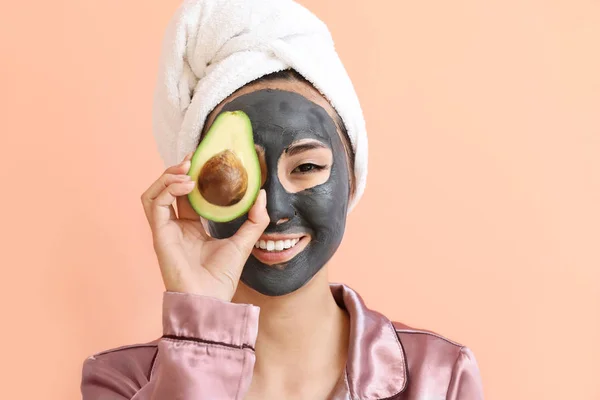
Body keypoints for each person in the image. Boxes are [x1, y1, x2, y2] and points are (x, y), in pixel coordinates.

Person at [81, 1, 484, 399]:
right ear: (195, 189)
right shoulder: (122, 382)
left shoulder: (440, 378)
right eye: (237, 174)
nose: (272, 210)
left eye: (307, 167)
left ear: (353, 177)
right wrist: (201, 327)